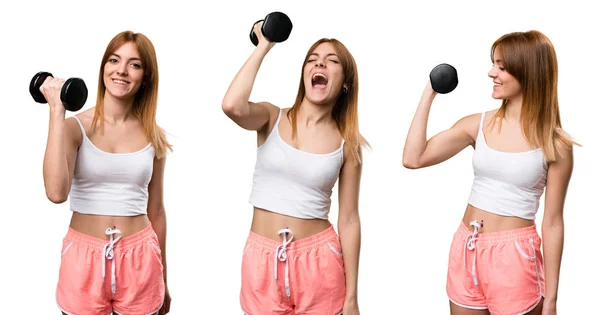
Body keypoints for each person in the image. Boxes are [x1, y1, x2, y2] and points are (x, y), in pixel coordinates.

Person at [403, 30, 577, 315]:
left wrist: (553, 299)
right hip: (467, 247)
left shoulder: (555, 143)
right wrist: (429, 92)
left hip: (515, 258)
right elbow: (413, 158)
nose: (491, 73)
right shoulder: (477, 124)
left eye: (502, 66)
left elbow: (553, 222)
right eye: (493, 63)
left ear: (528, 71)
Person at [222, 22, 367, 315]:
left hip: (320, 264)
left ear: (345, 82)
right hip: (261, 260)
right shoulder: (271, 117)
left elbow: (349, 219)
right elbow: (232, 106)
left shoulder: (348, 142)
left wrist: (352, 297)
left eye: (332, 60)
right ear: (304, 74)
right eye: (312, 59)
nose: (320, 63)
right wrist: (265, 44)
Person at [41, 30, 172, 315]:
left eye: (134, 64)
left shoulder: (155, 135)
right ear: (104, 67)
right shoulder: (75, 128)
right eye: (114, 60)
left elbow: (157, 210)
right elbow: (55, 193)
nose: (121, 70)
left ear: (146, 76)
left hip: (141, 259)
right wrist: (56, 114)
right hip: (83, 260)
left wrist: (165, 278)